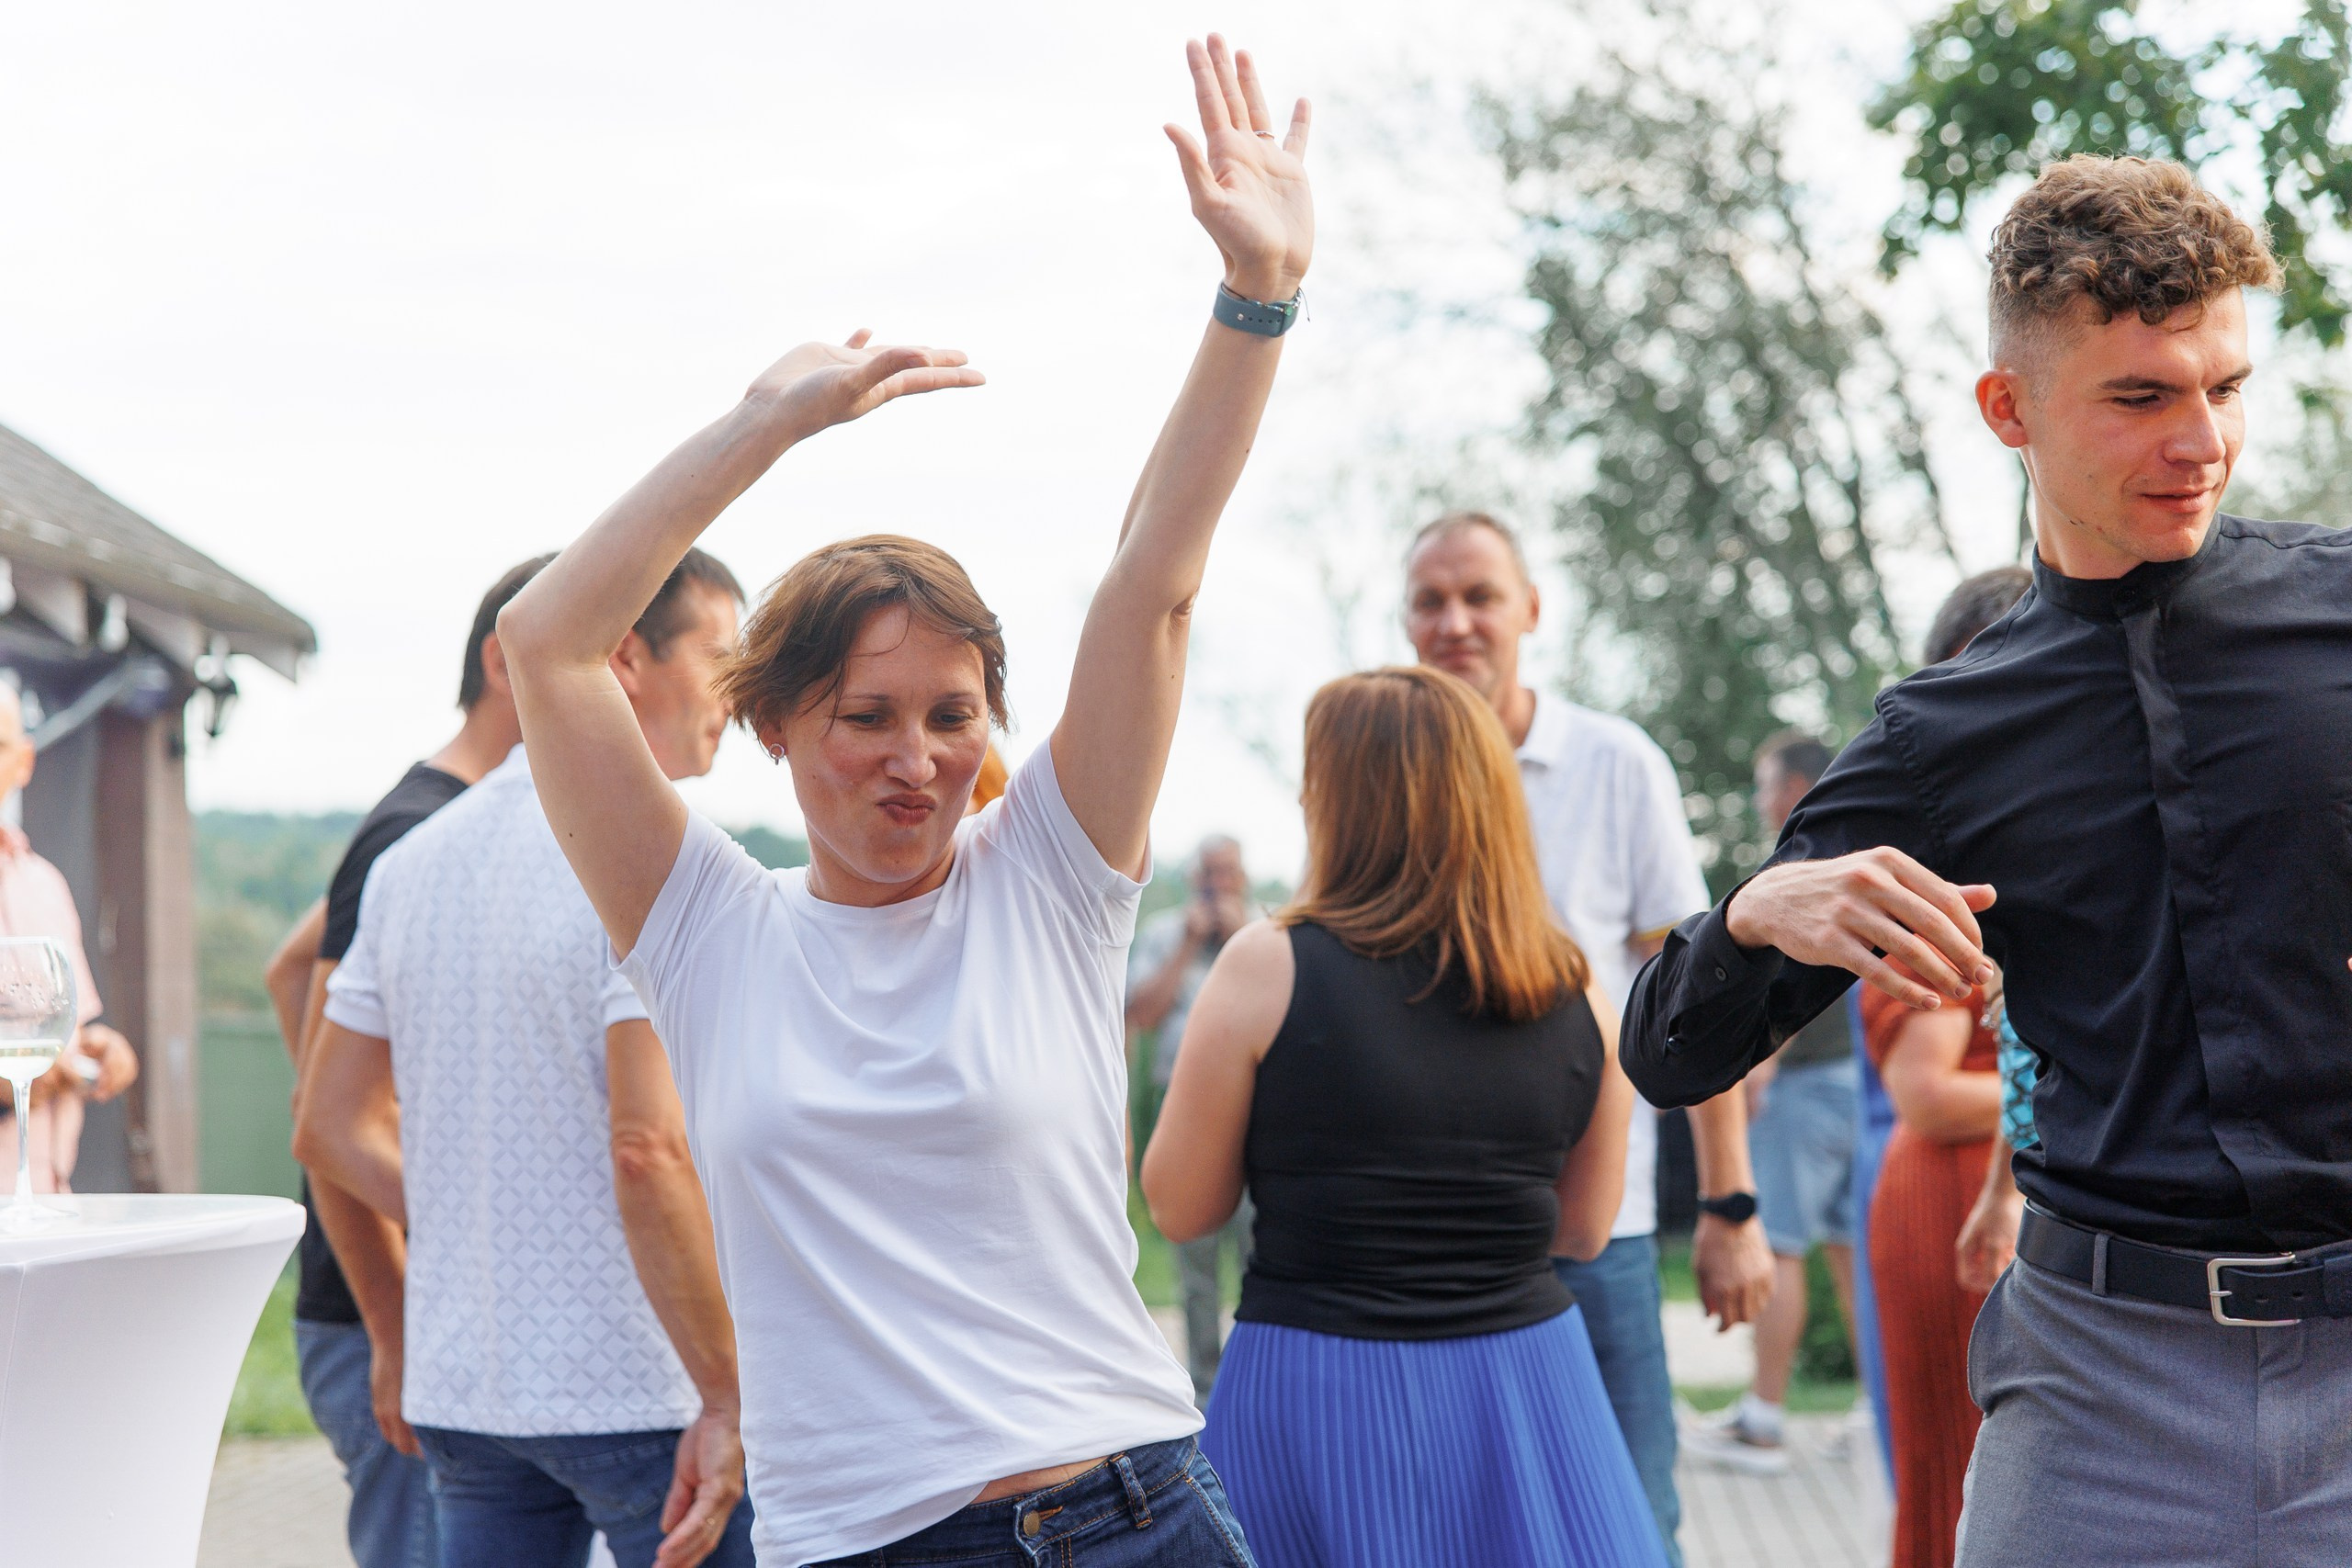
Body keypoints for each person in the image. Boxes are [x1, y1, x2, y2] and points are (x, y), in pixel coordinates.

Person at [492, 34, 1311, 1567]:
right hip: (865, 1542)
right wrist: (765, 427)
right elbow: (545, 644)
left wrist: (1254, 300)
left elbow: (1152, 588)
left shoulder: (1049, 882)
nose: (914, 756)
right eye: (864, 716)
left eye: (950, 715)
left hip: (1132, 1510)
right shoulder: (708, 929)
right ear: (775, 725)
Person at [1620, 155, 2352, 1566]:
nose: (2200, 438)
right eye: (2141, 396)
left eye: (2225, 385)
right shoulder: (1939, 733)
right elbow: (1667, 1053)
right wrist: (1761, 912)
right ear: (2008, 409)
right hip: (2101, 1387)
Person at [1141, 665, 1665, 1567]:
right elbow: (1584, 1230)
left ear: (1337, 800)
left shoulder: (1265, 965)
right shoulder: (1576, 987)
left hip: (1315, 1386)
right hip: (1528, 1390)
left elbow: (1181, 1208)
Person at [296, 548, 757, 1568]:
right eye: (721, 656)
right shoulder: (651, 857)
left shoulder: (413, 863)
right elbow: (648, 1147)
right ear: (626, 657)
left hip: (472, 1392)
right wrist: (727, 1394)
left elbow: (327, 1124)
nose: (737, 692)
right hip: (646, 1384)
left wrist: (463, 1235)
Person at [1401, 509, 1770, 1563]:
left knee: (1627, 1518)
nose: (1456, 621)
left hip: (1591, 1218)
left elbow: (1697, 1001)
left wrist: (1728, 1205)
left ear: (1531, 609)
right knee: (1463, 1524)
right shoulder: (1394, 773)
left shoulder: (1613, 762)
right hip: (1436, 1219)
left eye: (1479, 595)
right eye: (1430, 600)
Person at [263, 554, 553, 1568]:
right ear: (507, 662)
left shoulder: (442, 831)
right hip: (388, 1320)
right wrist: (392, 1325)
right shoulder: (417, 833)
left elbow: (290, 966)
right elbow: (332, 1119)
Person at [1684, 731, 1857, 1474]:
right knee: (1853, 1256)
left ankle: (1763, 1420)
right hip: (1856, 1085)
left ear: (1792, 788)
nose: (1759, 803)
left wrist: (1756, 1065)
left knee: (1777, 1244)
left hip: (1805, 1083)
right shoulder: (1857, 846)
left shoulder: (1800, 864)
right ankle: (1881, 1408)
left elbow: (1793, 979)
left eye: (1762, 786)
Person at [1126, 834, 1261, 1403]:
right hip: (1183, 1114)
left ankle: (1256, 1383)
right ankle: (1206, 1391)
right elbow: (1137, 1015)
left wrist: (1235, 941)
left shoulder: (1265, 933)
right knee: (1197, 1261)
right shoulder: (1163, 933)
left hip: (1258, 1117)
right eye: (1208, 874)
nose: (1218, 886)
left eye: (1228, 874)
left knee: (1260, 1254)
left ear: (1244, 879)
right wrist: (1188, 944)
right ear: (1191, 879)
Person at [0, 682, 138, 1191]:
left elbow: (64, 1026)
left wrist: (97, 1047)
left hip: (50, 1197)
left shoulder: (45, 883)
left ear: (24, 761)